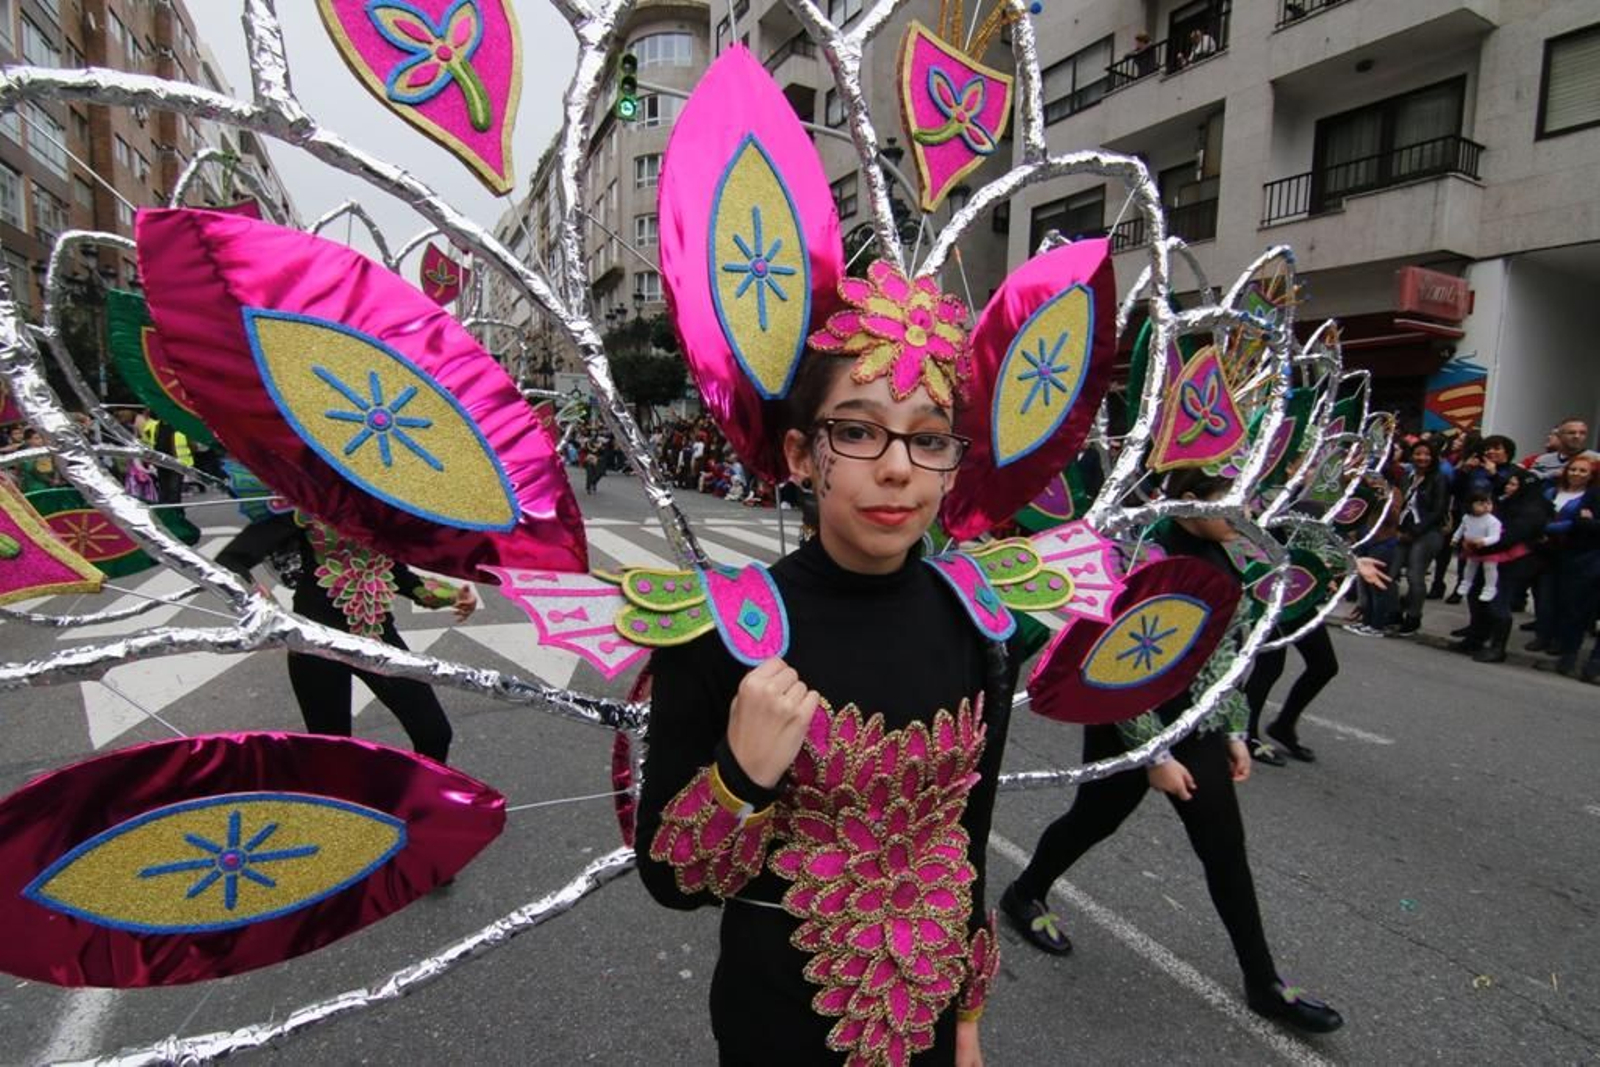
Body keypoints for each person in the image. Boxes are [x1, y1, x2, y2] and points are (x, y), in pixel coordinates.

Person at [634, 339, 1017, 1065]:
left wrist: (967, 1015)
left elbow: (968, 837)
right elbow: (672, 882)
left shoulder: (980, 623)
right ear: (804, 455)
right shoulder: (723, 632)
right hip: (777, 1027)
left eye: (928, 438)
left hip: (926, 1012)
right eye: (859, 430)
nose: (898, 467)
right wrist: (738, 776)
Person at [1002, 469, 1344, 1035]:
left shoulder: (1229, 557)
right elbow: (1109, 662)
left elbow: (1224, 656)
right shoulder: (1143, 554)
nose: (1245, 516)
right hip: (1128, 718)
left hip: (1196, 724)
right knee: (1093, 819)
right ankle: (1026, 892)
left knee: (1224, 847)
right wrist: (1153, 754)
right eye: (1229, 504)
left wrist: (1234, 730)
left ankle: (1264, 983)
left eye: (1249, 503)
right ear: (1187, 500)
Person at [217, 511, 475, 762]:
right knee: (332, 751)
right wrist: (259, 598)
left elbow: (396, 574)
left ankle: (415, 797)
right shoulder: (304, 508)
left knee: (433, 732)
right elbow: (232, 559)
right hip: (316, 644)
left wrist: (452, 595)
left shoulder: (381, 511)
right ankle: (343, 804)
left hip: (376, 638)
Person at [1449, 470, 1549, 663]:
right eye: (1509, 483)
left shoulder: (1534, 509)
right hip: (1483, 555)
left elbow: (1511, 536)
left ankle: (1497, 647)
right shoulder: (1505, 502)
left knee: (1498, 602)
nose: (1509, 488)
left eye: (1514, 484)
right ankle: (1475, 638)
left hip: (1511, 561)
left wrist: (1483, 544)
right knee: (1476, 595)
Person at [1529, 452, 1600, 678]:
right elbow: (1579, 520)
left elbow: (1587, 522)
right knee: (1575, 610)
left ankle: (1594, 666)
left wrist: (1591, 522)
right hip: (1585, 558)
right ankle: (1568, 658)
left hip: (1587, 554)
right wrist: (1588, 523)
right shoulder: (1595, 493)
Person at [1394, 439, 1449, 634]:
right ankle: (1394, 611)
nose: (1422, 458)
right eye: (1418, 454)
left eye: (1426, 454)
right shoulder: (1407, 477)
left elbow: (1438, 510)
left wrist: (1415, 531)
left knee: (1414, 575)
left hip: (1427, 533)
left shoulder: (1439, 478)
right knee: (1391, 572)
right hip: (1403, 531)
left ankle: (1414, 617)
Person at [1451, 493, 1502, 602]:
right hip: (1471, 546)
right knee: (1470, 565)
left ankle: (1490, 588)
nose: (1485, 506)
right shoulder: (1467, 517)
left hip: (1488, 549)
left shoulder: (1492, 521)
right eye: (1480, 504)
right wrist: (1455, 538)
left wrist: (1484, 541)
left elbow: (1495, 536)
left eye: (1488, 503)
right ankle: (1466, 582)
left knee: (1489, 567)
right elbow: (1461, 529)